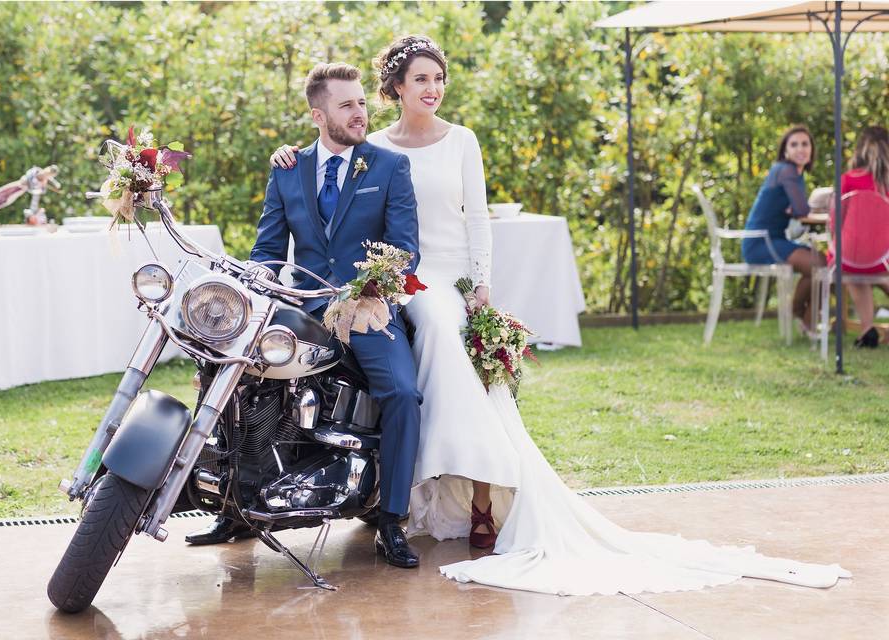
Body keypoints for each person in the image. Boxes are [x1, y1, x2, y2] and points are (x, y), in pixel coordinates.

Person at [266, 35, 850, 596]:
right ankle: (406, 484)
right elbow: (329, 167)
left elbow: (475, 220)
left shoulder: (460, 140)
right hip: (394, 280)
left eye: (439, 78)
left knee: (442, 334)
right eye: (422, 78)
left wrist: (481, 285)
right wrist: (288, 157)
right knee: (415, 346)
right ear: (396, 85)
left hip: (429, 273)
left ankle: (463, 472)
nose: (434, 87)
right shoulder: (375, 147)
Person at [189, 62, 424, 569]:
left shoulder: (387, 167)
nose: (360, 112)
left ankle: (391, 519)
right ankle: (236, 506)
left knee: (403, 393)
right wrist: (254, 282)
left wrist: (367, 290)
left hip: (367, 310)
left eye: (361, 102)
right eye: (347, 105)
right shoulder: (288, 169)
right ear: (319, 115)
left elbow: (405, 251)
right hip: (303, 309)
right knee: (231, 373)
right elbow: (268, 248)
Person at [742, 126, 826, 336]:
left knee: (823, 262)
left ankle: (805, 319)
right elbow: (801, 210)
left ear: (811, 150)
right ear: (785, 151)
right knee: (819, 264)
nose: (800, 149)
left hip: (775, 239)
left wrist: (797, 210)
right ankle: (801, 316)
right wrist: (798, 210)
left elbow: (798, 210)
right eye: (794, 144)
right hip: (761, 242)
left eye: (805, 144)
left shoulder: (793, 174)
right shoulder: (786, 170)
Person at [831, 125, 889, 348]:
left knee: (853, 267)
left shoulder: (848, 179)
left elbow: (836, 222)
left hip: (849, 260)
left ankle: (866, 329)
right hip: (883, 259)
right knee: (875, 269)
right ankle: (867, 328)